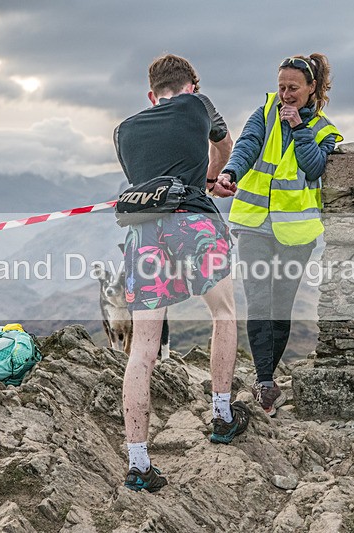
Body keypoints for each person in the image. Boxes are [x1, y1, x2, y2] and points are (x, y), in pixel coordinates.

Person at [113, 54, 249, 493]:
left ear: (152, 96)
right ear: (192, 86)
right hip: (193, 220)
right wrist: (214, 178)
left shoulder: (124, 130)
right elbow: (224, 150)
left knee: (143, 348)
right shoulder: (199, 105)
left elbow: (150, 175)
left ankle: (138, 464)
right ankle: (223, 416)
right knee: (223, 314)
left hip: (141, 234)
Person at [215, 54, 342, 416]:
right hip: (254, 222)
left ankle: (267, 376)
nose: (285, 94)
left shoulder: (325, 130)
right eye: (281, 87)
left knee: (281, 304)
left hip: (296, 232)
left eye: (293, 88)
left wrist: (300, 127)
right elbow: (247, 145)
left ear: (312, 88)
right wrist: (231, 172)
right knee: (258, 299)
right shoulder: (266, 111)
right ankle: (265, 380)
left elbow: (314, 166)